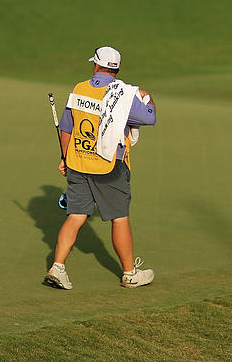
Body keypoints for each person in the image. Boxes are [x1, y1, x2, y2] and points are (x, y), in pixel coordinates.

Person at [44, 46, 157, 290]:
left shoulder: (79, 89)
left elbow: (66, 128)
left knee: (75, 216)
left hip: (78, 162)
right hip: (110, 167)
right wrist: (147, 97)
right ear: (117, 69)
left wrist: (65, 158)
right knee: (119, 218)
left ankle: (58, 267)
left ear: (95, 65)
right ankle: (129, 273)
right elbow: (149, 117)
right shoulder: (124, 95)